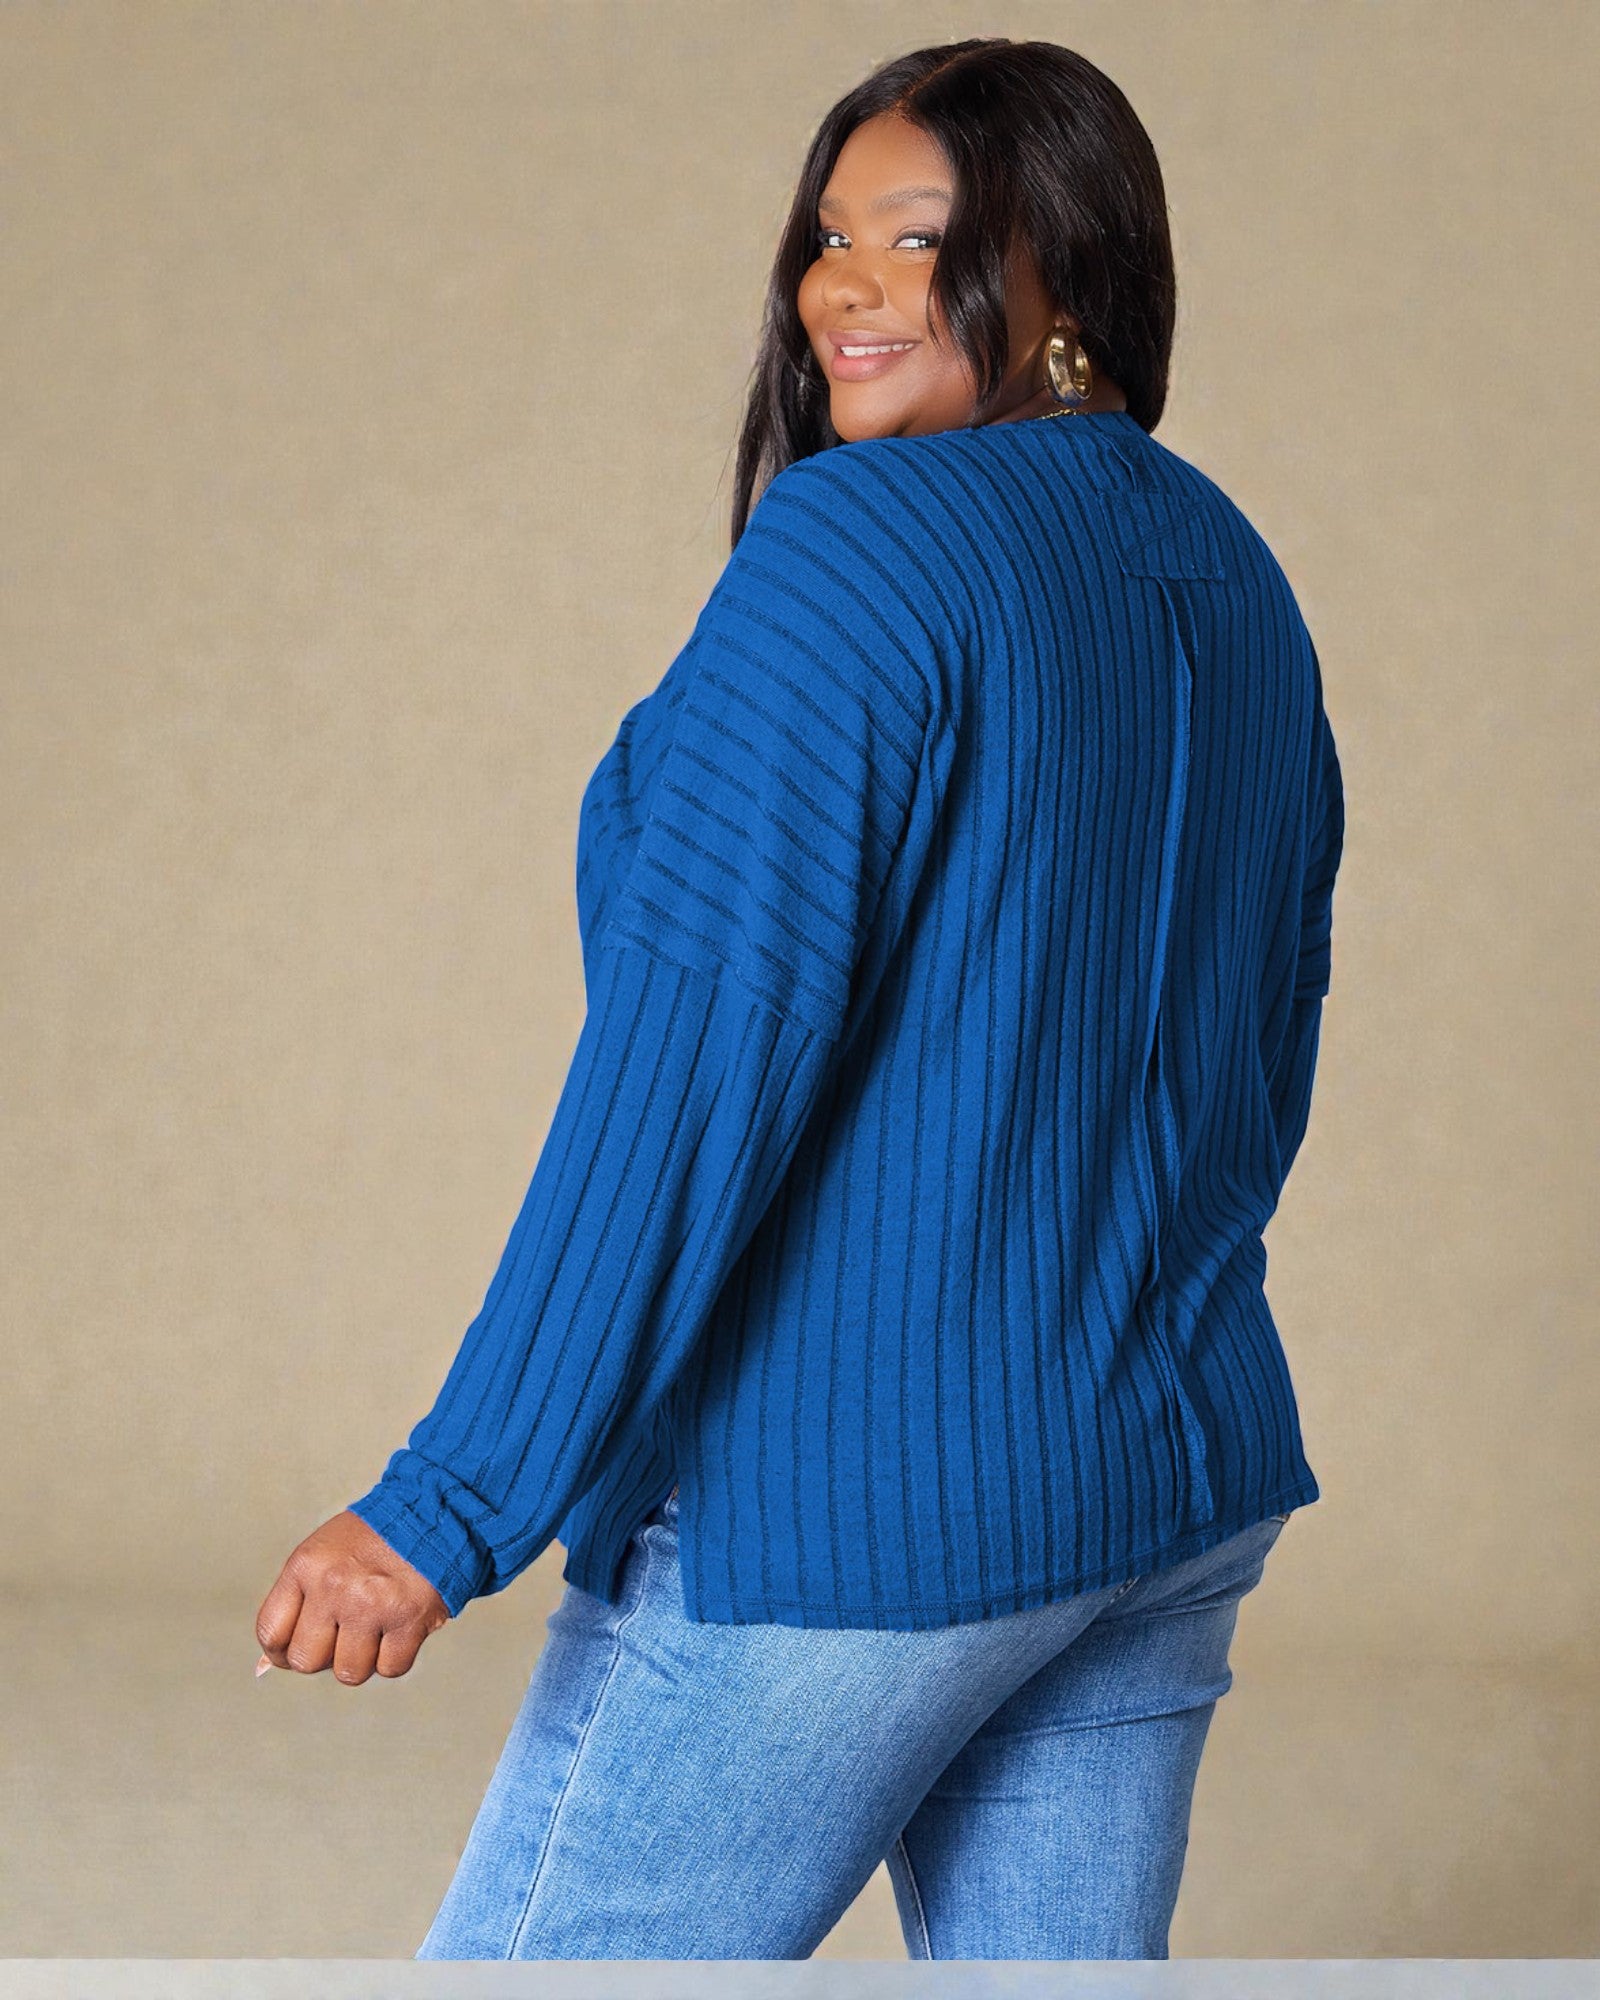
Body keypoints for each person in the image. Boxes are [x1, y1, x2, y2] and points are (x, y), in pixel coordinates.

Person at [253, 37, 1345, 1961]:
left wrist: (454, 1497)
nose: (840, 288)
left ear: (1067, 277)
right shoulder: (1229, 571)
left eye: (916, 242)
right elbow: (1260, 1053)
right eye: (827, 238)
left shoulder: (858, 553)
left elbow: (694, 1066)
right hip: (1159, 1493)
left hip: (860, 1512)